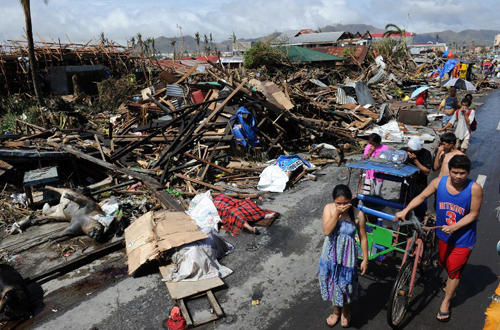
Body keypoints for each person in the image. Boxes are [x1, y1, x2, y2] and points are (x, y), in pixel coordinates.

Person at [394, 155, 483, 323]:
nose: (458, 176)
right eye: (455, 172)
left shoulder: (474, 188)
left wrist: (455, 226)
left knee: (454, 272)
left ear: (468, 173)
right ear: (449, 170)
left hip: (463, 240)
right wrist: (405, 210)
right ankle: (448, 282)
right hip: (442, 235)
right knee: (444, 262)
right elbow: (421, 197)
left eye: (462, 173)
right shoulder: (439, 183)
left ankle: (446, 302)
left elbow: (474, 213)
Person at [319, 184, 368, 328]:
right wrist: (337, 214)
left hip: (348, 258)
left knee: (346, 284)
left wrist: (365, 259)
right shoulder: (329, 209)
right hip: (330, 256)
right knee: (333, 283)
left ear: (350, 200)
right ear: (334, 201)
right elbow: (327, 231)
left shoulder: (358, 214)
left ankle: (346, 311)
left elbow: (363, 238)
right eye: (338, 203)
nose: (342, 206)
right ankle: (336, 311)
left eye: (345, 203)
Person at [399, 137, 432, 219]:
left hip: (419, 184)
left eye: (412, 150)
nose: (409, 151)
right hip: (406, 184)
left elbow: (426, 171)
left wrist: (415, 160)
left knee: (419, 206)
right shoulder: (404, 150)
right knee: (403, 203)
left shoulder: (426, 154)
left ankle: (418, 222)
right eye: (408, 149)